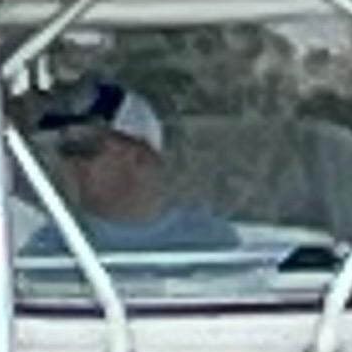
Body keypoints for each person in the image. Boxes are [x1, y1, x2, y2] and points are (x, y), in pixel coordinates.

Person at [29, 77, 235, 253]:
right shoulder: (51, 246)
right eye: (65, 151)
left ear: (141, 158)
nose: (72, 164)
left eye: (86, 150)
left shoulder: (207, 240)